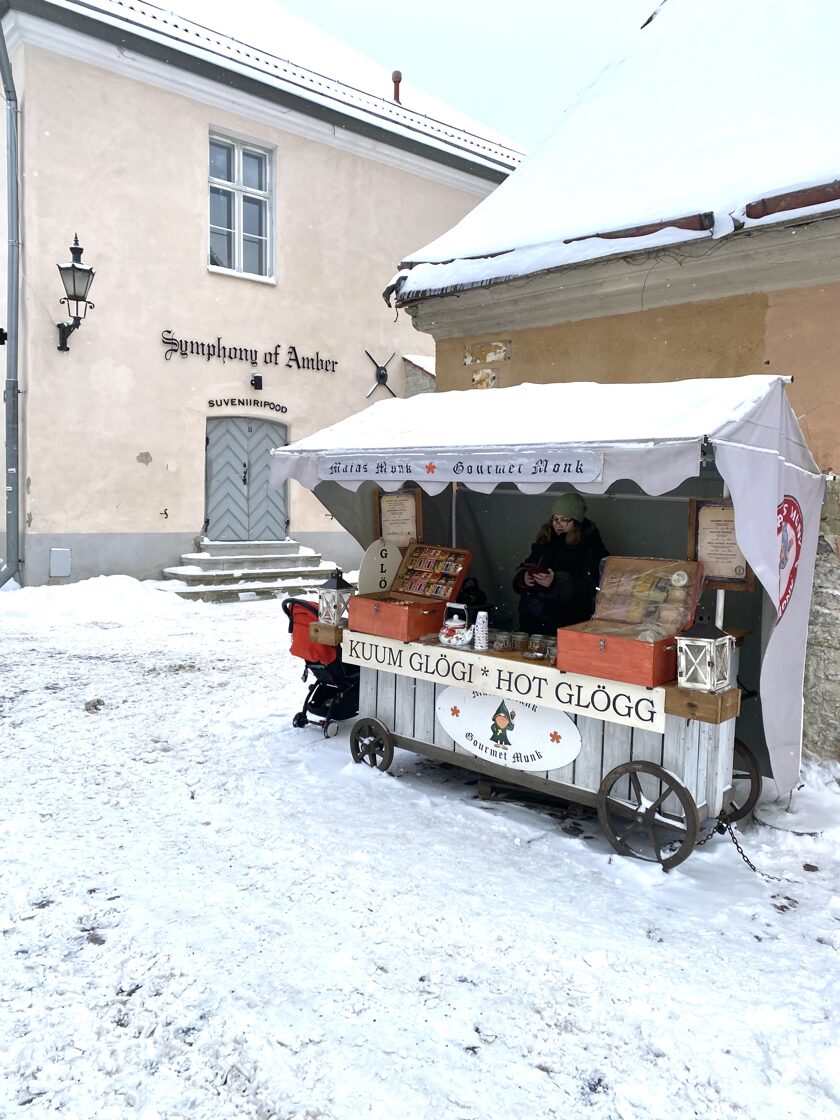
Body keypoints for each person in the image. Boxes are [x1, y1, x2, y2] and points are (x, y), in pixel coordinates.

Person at [512, 494, 608, 636]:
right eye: (555, 519)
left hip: (568, 623)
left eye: (564, 520)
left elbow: (593, 585)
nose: (558, 524)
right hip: (532, 622)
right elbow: (527, 565)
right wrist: (524, 579)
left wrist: (557, 582)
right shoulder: (545, 539)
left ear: (577, 521)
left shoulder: (590, 545)